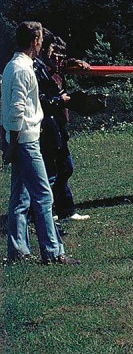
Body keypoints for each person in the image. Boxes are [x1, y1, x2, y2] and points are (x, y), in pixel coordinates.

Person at [2, 21, 78, 265]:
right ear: (35, 41)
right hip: (25, 140)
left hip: (19, 139)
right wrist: (13, 146)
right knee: (43, 196)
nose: (43, 43)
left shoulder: (14, 66)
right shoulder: (22, 70)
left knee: (20, 198)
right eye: (41, 39)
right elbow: (16, 112)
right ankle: (53, 253)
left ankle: (18, 250)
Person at [35, 32, 90, 222]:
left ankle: (64, 209)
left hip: (59, 126)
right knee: (51, 171)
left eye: (61, 56)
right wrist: (60, 100)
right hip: (46, 127)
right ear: (45, 52)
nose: (58, 59)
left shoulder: (57, 67)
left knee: (66, 168)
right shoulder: (39, 71)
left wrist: (77, 62)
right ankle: (46, 212)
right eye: (54, 54)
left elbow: (64, 63)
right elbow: (40, 100)